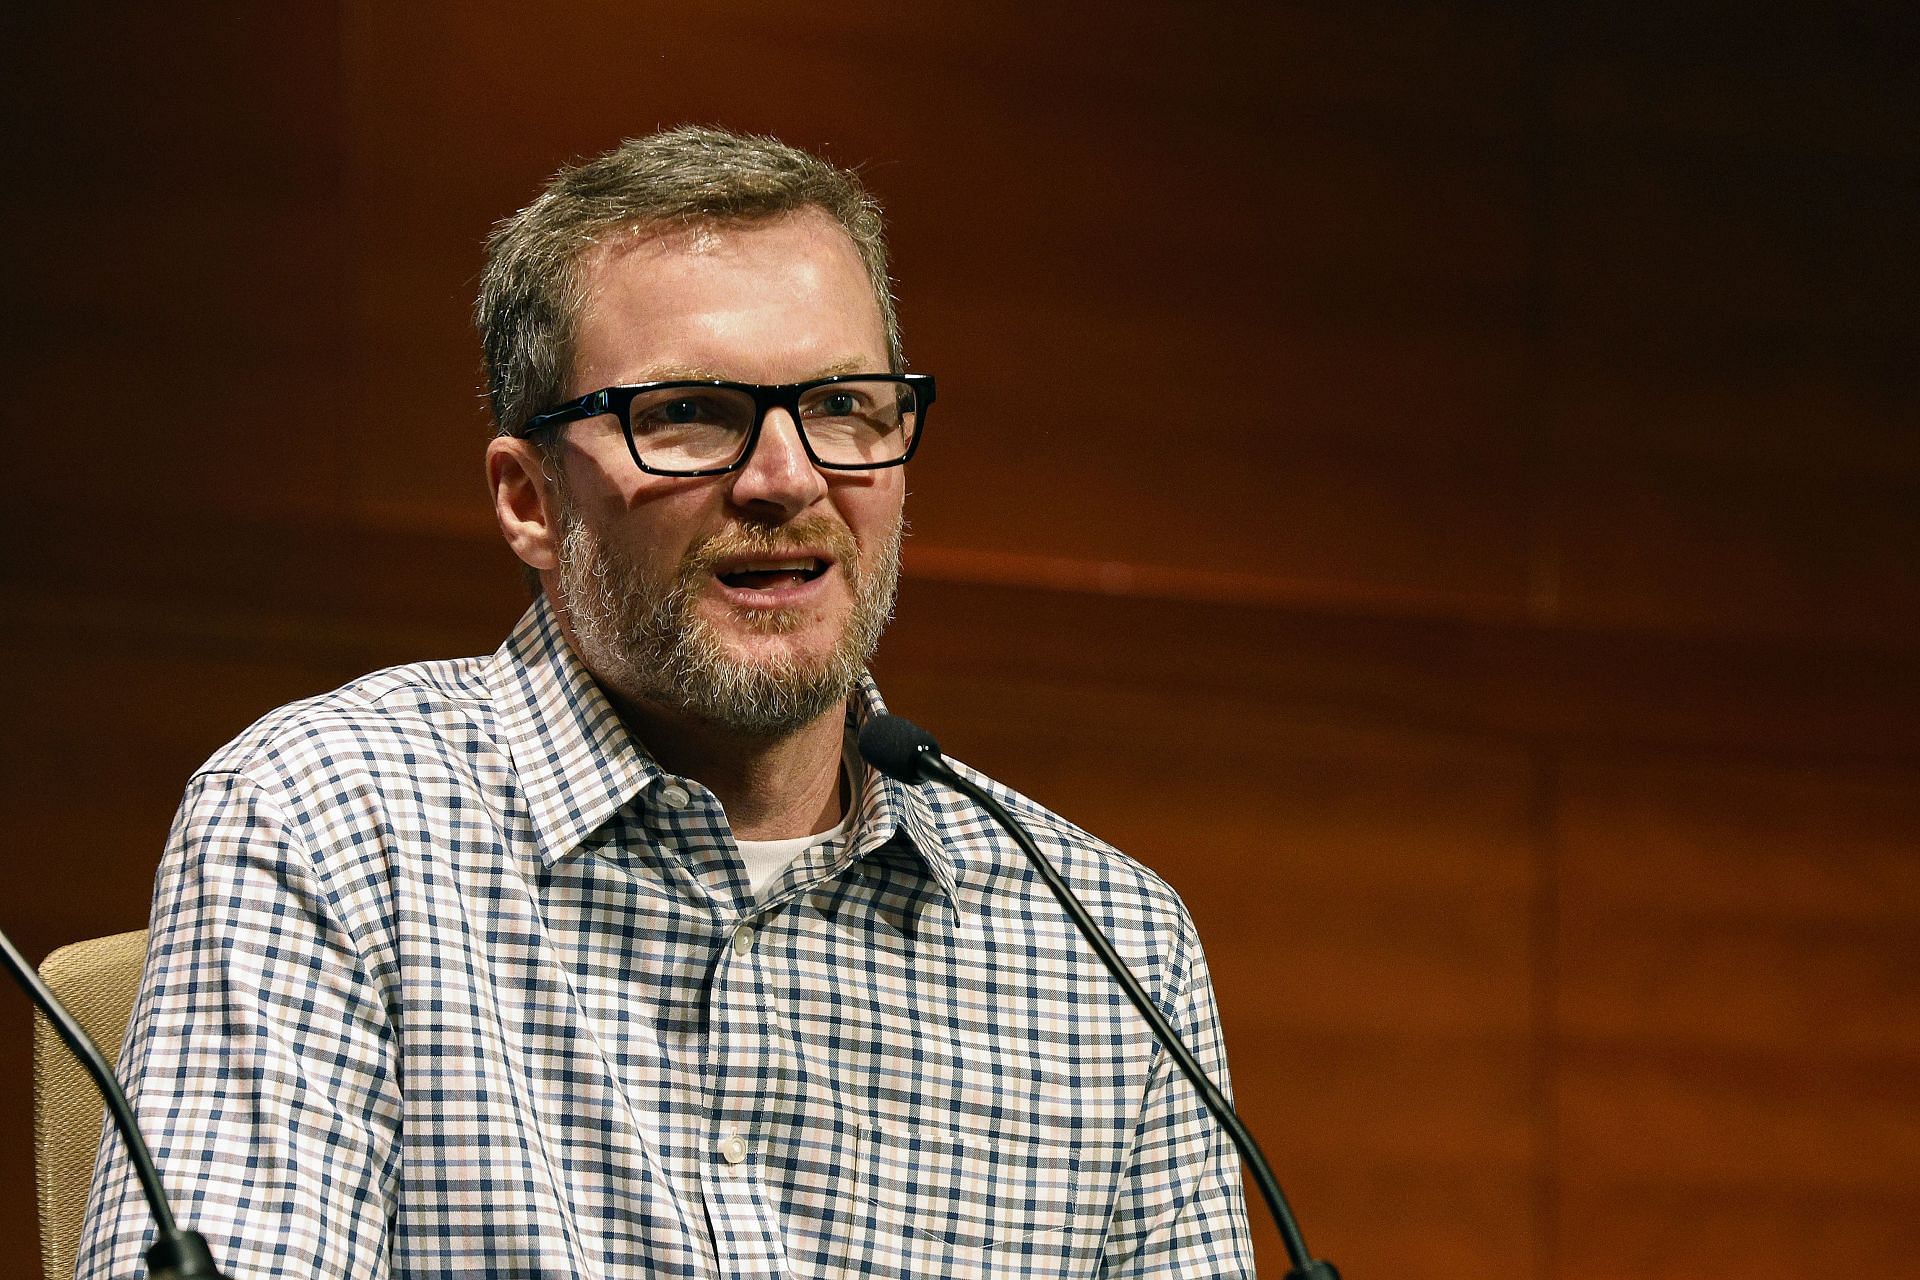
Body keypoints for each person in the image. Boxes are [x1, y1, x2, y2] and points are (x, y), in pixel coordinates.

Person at [77, 126, 1256, 1279]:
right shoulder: (329, 822)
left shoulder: (1109, 944)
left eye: (845, 404)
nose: (786, 478)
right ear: (531, 498)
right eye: (687, 413)